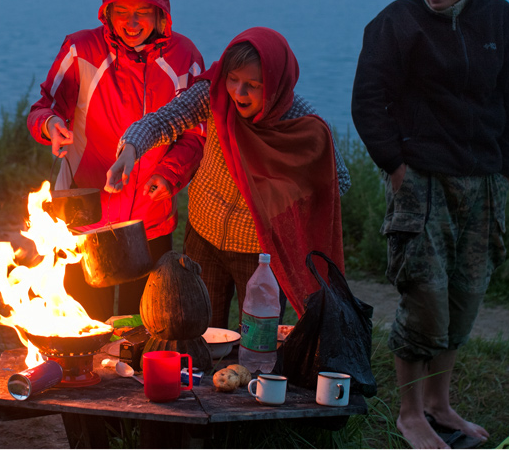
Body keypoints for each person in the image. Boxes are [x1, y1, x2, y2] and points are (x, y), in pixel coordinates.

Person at [351, 0, 509, 449]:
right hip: (422, 183)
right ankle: (411, 414)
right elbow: (368, 101)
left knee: (464, 297)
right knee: (425, 298)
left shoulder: (500, 18)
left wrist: (508, 171)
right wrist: (396, 166)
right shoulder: (397, 22)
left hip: (485, 183)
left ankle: (440, 404)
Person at [106, 26, 350, 329]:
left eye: (253, 84)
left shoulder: (299, 121)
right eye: (233, 79)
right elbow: (164, 119)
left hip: (261, 251)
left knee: (259, 341)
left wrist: (285, 185)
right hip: (204, 235)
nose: (238, 92)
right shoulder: (215, 94)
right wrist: (130, 148)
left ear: (275, 84)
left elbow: (338, 180)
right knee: (196, 329)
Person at [27, 0, 205, 320]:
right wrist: (50, 126)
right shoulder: (81, 51)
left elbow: (195, 135)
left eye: (143, 10)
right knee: (82, 323)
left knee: (145, 322)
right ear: (106, 12)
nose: (132, 22)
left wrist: (169, 175)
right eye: (121, 11)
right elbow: (43, 106)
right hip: (84, 218)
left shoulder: (184, 58)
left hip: (150, 219)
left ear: (161, 13)